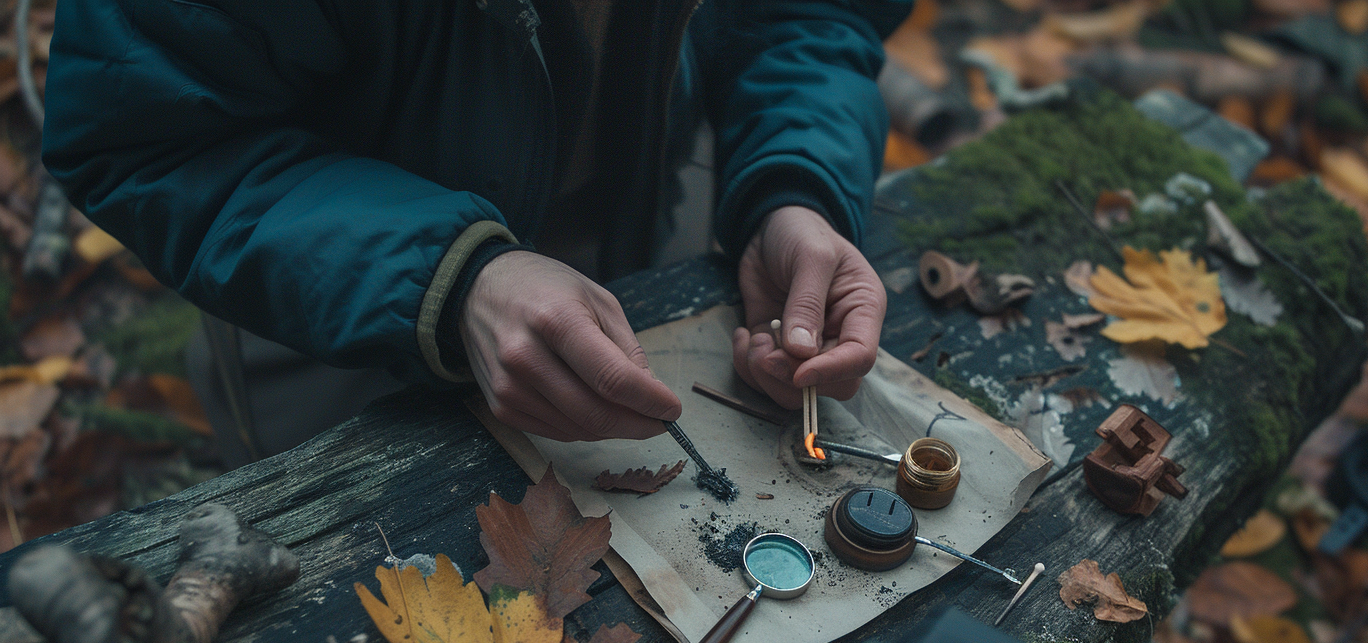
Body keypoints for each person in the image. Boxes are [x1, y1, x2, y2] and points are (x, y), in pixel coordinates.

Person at [41, 0, 909, 454]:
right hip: (326, 284)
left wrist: (794, 187)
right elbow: (148, 139)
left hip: (645, 202)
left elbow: (808, 13)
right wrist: (449, 280)